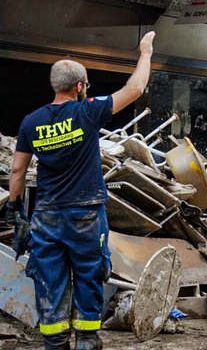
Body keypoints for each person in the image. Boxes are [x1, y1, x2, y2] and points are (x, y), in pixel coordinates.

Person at [6, 31, 156, 350]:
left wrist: (14, 209)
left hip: (47, 217)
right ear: (79, 86)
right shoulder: (87, 111)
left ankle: (56, 341)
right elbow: (136, 88)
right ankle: (87, 339)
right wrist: (145, 52)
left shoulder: (31, 122)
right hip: (86, 213)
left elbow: (17, 170)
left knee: (51, 279)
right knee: (89, 274)